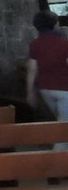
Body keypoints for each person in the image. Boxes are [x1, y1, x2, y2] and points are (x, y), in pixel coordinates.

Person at [27, 10, 68, 150]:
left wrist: (30, 92)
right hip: (65, 88)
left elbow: (32, 69)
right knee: (64, 126)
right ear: (55, 24)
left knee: (61, 121)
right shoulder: (64, 43)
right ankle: (56, 161)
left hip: (46, 89)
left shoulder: (35, 44)